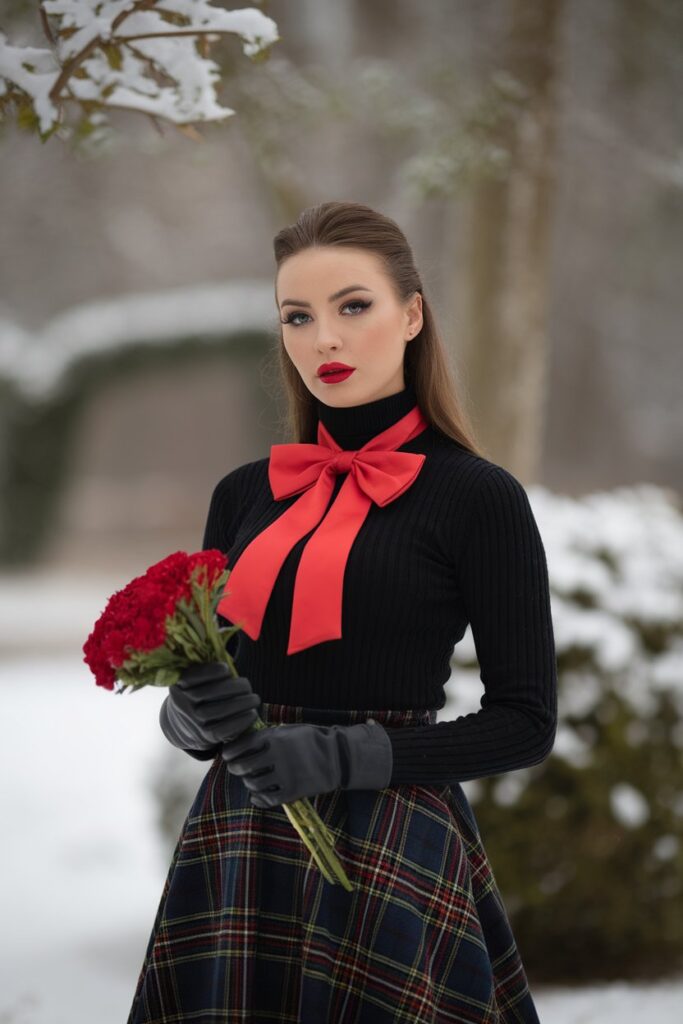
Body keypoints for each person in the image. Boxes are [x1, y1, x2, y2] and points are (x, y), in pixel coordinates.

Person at [127, 200, 557, 1023]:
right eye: (297, 315)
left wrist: (341, 754)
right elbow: (208, 691)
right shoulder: (244, 493)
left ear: (411, 315)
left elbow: (523, 723)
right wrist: (188, 718)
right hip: (241, 839)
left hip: (394, 839)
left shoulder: (477, 498)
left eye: (351, 306)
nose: (322, 338)